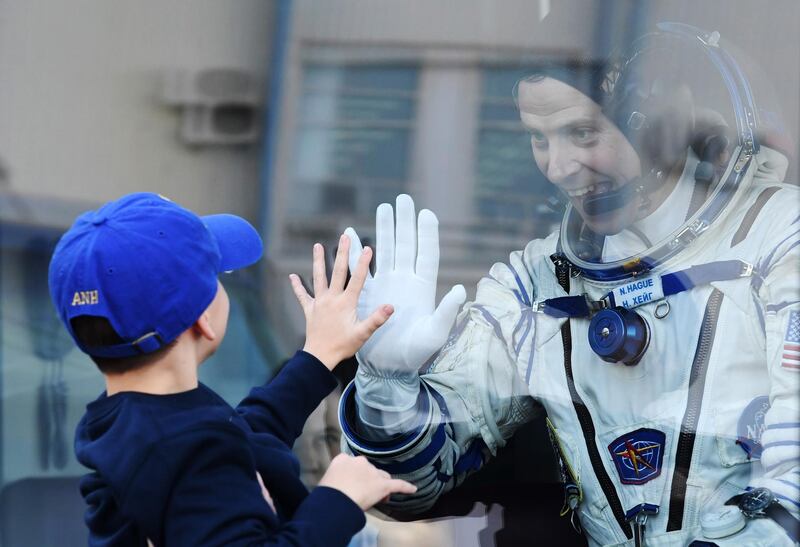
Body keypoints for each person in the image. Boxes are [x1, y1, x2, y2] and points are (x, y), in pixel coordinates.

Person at [337, 24, 800, 546]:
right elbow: (411, 488)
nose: (558, 167)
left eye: (583, 134)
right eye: (540, 138)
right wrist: (387, 385)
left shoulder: (778, 240)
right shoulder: (534, 284)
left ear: (659, 127)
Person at [47, 192, 416, 546]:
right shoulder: (189, 450)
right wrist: (339, 499)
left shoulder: (129, 422)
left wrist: (319, 355)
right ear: (203, 319)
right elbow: (219, 450)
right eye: (216, 275)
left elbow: (243, 435)